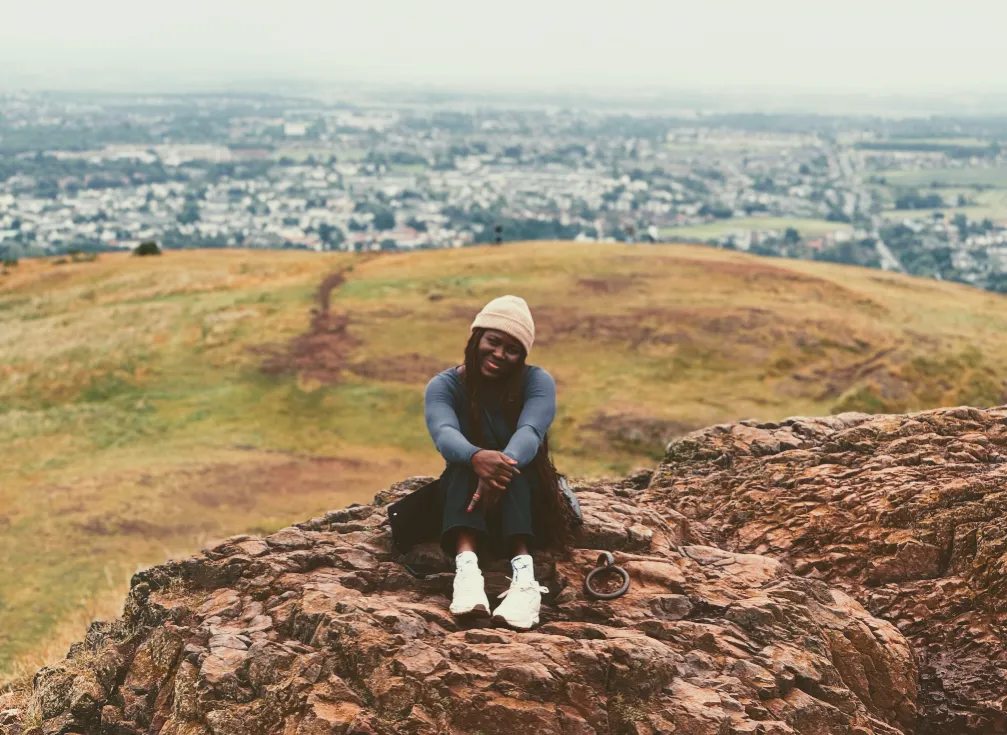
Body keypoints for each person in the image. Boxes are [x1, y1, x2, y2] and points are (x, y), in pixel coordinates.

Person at [424, 295, 573, 630]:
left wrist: (496, 467)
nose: (499, 354)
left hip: (527, 498)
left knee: (514, 467)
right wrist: (476, 457)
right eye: (493, 341)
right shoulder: (444, 386)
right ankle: (467, 573)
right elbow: (444, 433)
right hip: (466, 495)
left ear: (522, 356)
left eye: (512, 349)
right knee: (464, 464)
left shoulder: (537, 381)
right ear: (476, 337)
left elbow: (530, 432)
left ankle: (525, 581)